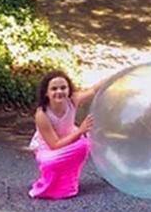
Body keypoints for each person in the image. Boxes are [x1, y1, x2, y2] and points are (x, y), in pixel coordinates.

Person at [28, 70, 101, 199]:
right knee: (49, 162)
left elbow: (94, 89)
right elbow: (55, 145)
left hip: (70, 142)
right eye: (54, 89)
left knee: (84, 144)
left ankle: (68, 183)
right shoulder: (42, 114)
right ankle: (49, 185)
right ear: (46, 93)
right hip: (49, 149)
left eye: (63, 88)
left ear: (69, 90)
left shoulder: (73, 101)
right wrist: (80, 131)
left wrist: (116, 77)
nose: (59, 91)